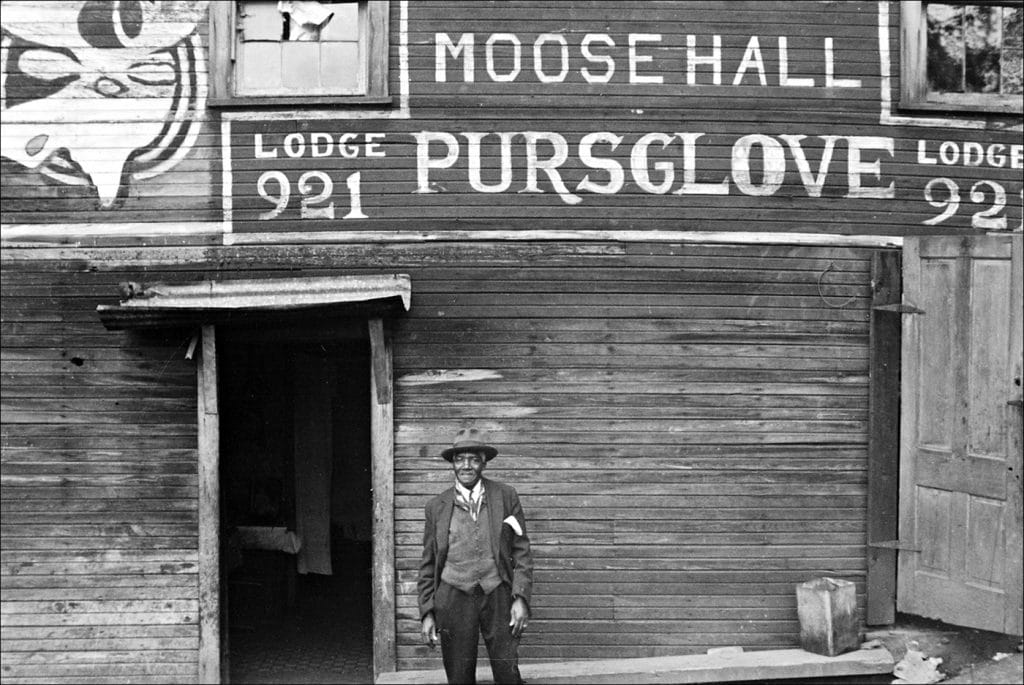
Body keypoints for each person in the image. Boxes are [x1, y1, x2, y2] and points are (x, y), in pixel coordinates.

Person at [417, 427, 534, 685]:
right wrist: (427, 612)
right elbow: (427, 564)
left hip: (497, 594)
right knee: (459, 677)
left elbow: (522, 551)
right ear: (452, 463)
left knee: (507, 674)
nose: (466, 465)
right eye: (460, 459)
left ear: (483, 461)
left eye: (473, 458)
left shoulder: (505, 496)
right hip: (453, 597)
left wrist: (520, 597)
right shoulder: (436, 507)